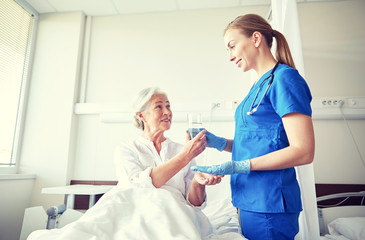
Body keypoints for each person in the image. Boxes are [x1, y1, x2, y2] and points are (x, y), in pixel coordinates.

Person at [191, 14, 315, 240]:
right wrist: (219, 143)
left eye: (232, 46)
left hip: (269, 201)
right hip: (248, 198)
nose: (230, 56)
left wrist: (239, 166)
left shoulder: (285, 79)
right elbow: (259, 144)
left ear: (256, 38)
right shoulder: (257, 86)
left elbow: (304, 151)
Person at [114, 87, 223, 207]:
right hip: (140, 213)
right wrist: (184, 157)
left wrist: (198, 183)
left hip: (176, 213)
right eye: (159, 107)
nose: (167, 112)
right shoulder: (126, 150)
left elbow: (195, 205)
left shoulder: (182, 150)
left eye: (168, 106)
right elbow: (137, 187)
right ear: (142, 116)